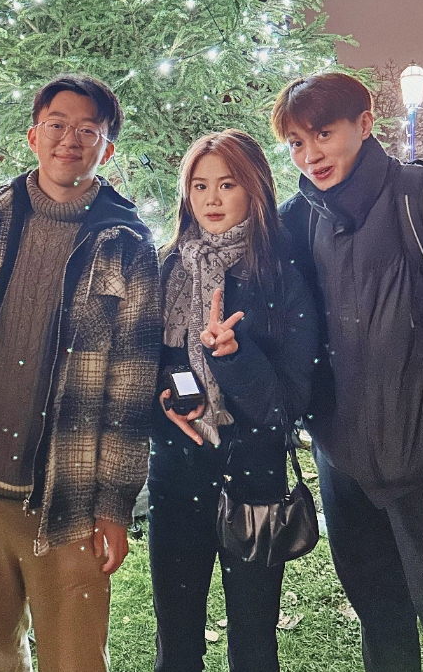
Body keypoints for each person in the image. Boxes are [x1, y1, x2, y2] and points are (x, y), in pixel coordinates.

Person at [0, 73, 161, 672]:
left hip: (68, 501)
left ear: (107, 149)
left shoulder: (127, 244)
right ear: (33, 135)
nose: (70, 140)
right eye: (57, 124)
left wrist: (113, 504)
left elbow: (129, 389)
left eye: (88, 130)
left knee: (77, 658)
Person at [272, 72, 423, 672]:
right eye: (297, 143)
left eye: (323, 133)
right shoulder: (299, 221)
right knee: (381, 628)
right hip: (346, 468)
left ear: (365, 123)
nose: (311, 155)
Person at [148, 130, 318, 672]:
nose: (212, 199)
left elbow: (287, 405)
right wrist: (167, 404)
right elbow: (147, 372)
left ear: (255, 191)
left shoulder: (280, 277)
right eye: (199, 186)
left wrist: (232, 355)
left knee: (253, 644)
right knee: (176, 642)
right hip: (178, 474)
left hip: (254, 478)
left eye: (227, 184)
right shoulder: (167, 268)